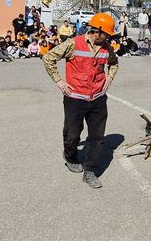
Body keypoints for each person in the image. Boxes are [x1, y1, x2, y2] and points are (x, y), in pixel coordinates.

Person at [42, 13, 119, 189]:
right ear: (97, 31)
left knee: (97, 137)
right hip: (75, 98)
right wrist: (58, 80)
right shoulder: (73, 44)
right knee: (72, 134)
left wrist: (109, 77)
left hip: (98, 98)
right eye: (106, 34)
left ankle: (90, 171)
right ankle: (69, 156)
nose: (108, 37)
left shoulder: (107, 48)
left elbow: (114, 64)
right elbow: (48, 58)